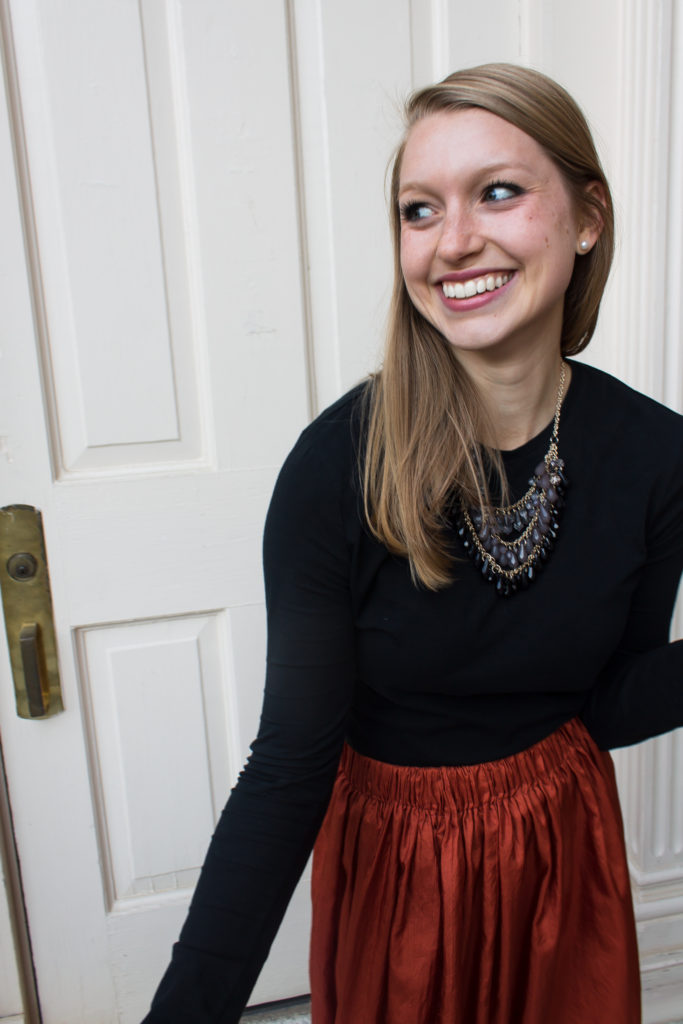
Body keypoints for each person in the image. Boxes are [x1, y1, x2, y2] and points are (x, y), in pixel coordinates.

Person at [142, 63, 683, 1024]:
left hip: (563, 852)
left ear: (587, 215)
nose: (454, 241)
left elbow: (608, 703)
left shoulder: (656, 455)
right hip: (401, 871)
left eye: (499, 192)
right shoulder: (335, 466)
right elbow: (287, 766)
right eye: (419, 209)